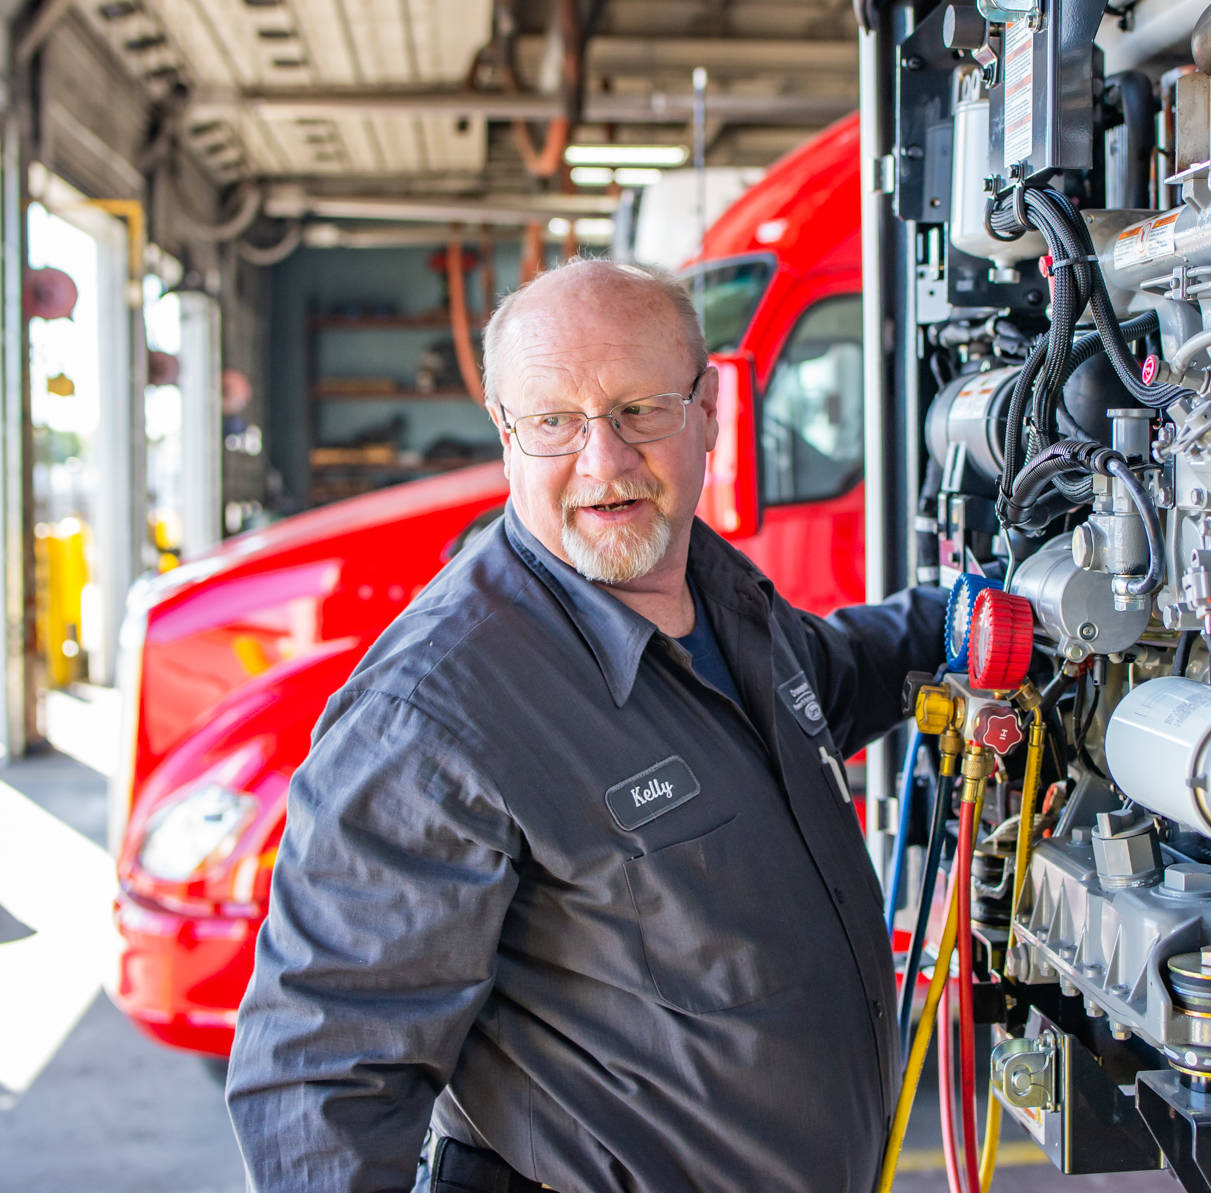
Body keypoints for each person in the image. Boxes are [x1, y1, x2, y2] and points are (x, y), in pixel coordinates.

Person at [226, 258, 945, 1193]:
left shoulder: (721, 600)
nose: (604, 462)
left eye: (641, 409)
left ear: (708, 407)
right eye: (556, 421)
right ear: (506, 436)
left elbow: (831, 680)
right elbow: (318, 1088)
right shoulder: (437, 712)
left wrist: (963, 617)